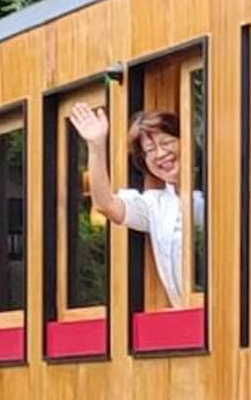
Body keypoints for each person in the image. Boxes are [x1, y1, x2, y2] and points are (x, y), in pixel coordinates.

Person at [67, 103, 204, 308]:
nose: (160, 154)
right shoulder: (156, 205)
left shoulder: (211, 191)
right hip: (186, 316)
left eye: (166, 142)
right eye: (150, 150)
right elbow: (105, 204)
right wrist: (96, 145)